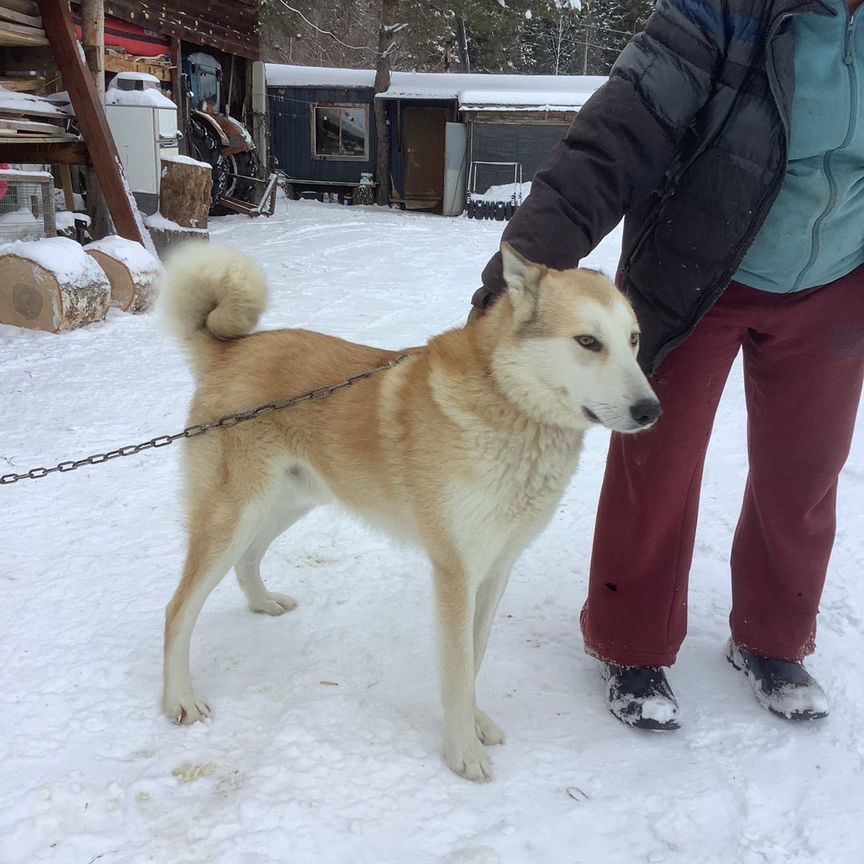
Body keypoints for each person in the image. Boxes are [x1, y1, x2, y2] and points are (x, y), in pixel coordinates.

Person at [471, 0, 864, 729]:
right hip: (694, 270)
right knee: (657, 459)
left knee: (805, 473)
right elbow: (616, 136)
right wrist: (516, 281)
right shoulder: (724, 10)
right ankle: (633, 644)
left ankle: (774, 640)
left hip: (838, 282)